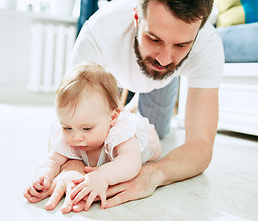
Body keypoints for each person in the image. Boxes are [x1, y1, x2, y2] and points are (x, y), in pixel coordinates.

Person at [25, 0, 224, 213]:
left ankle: (130, 114)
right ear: (137, 19)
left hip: (163, 80)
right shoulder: (98, 33)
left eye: (181, 45)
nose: (165, 58)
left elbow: (201, 146)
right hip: (109, 73)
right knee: (93, 123)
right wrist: (72, 167)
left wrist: (151, 175)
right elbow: (72, 118)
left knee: (157, 130)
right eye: (154, 38)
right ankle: (124, 111)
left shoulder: (207, 45)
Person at [24, 62, 161, 211]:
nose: (76, 137)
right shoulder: (73, 130)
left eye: (87, 128)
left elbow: (131, 162)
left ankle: (132, 108)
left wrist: (103, 176)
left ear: (112, 118)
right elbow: (52, 159)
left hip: (149, 142)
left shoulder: (120, 131)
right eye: (67, 127)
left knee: (152, 150)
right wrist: (44, 175)